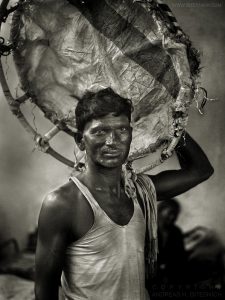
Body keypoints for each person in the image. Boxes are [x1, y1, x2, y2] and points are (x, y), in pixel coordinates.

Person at [35, 88, 214, 300]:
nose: (112, 141)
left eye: (121, 130)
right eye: (99, 131)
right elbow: (44, 292)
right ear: (80, 140)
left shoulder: (139, 191)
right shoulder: (63, 204)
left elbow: (200, 170)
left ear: (131, 135)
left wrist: (168, 123)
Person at [157, 199, 187, 284]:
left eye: (175, 214)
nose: (173, 217)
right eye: (170, 213)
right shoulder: (147, 229)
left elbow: (181, 257)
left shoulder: (176, 232)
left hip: (171, 276)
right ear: (160, 211)